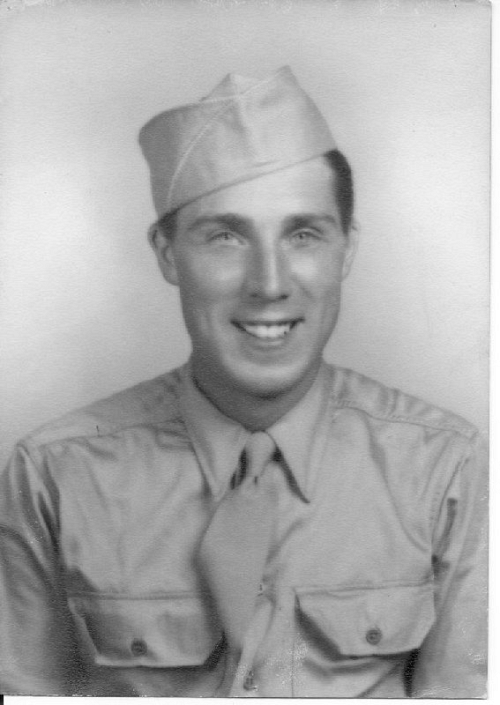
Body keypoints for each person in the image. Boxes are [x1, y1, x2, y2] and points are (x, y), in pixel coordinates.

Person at [0, 66, 487, 698]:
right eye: (225, 236)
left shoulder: (446, 469)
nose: (269, 283)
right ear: (167, 253)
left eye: (303, 235)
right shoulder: (53, 476)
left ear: (347, 249)